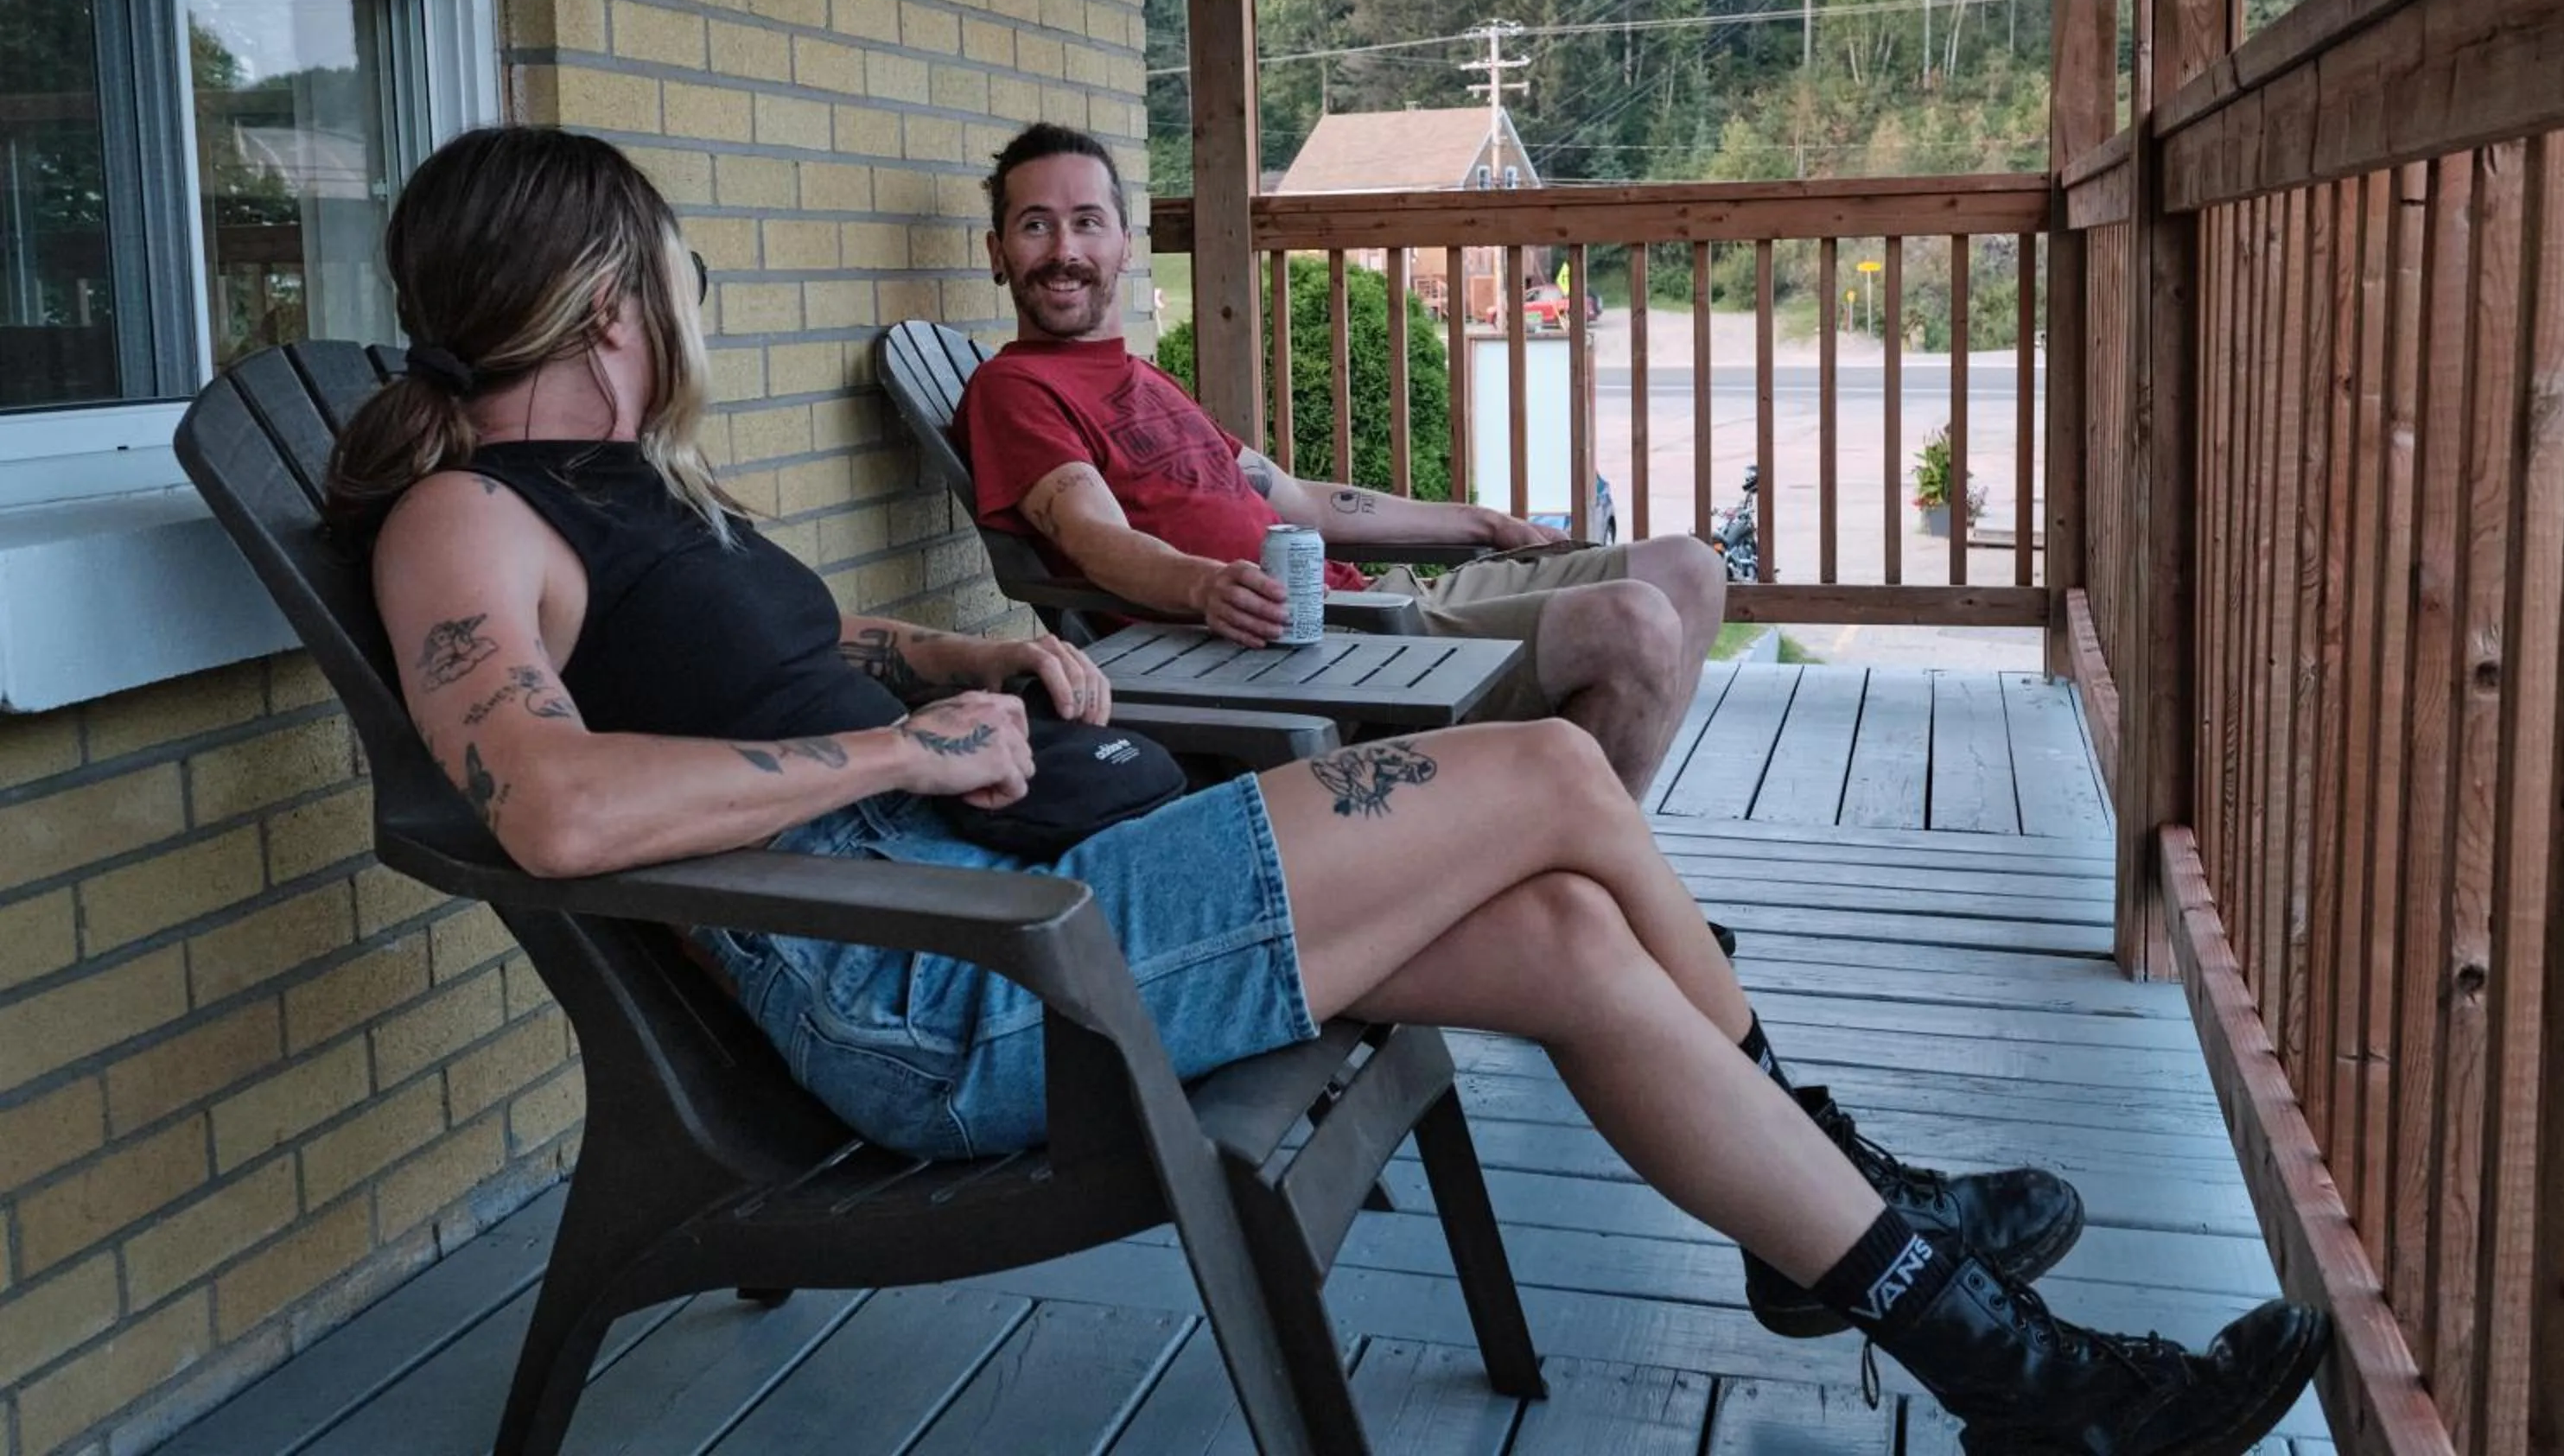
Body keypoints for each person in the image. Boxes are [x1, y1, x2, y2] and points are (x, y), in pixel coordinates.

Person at [325, 125, 2326, 1455]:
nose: (680, 317)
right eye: (664, 286)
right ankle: (1871, 1216)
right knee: (1548, 764)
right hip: (956, 986)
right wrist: (903, 748)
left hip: (1028, 885)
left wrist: (947, 654)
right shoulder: (457, 518)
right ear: (608, 307)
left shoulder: (607, 492)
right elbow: (558, 812)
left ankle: (1990, 1362)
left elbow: (754, 661)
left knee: (1552, 924)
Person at [954, 124, 1724, 799]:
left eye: (1087, 223)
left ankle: (1593, 851)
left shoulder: (1144, 380)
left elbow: (1298, 501)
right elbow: (1094, 536)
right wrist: (1203, 585)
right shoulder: (1014, 389)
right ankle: (1593, 879)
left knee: (1690, 569)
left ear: (1124, 247)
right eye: (1035, 226)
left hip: (1370, 604)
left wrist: (1480, 520)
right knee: (1633, 622)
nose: (1065, 251)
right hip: (1308, 654)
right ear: (998, 253)